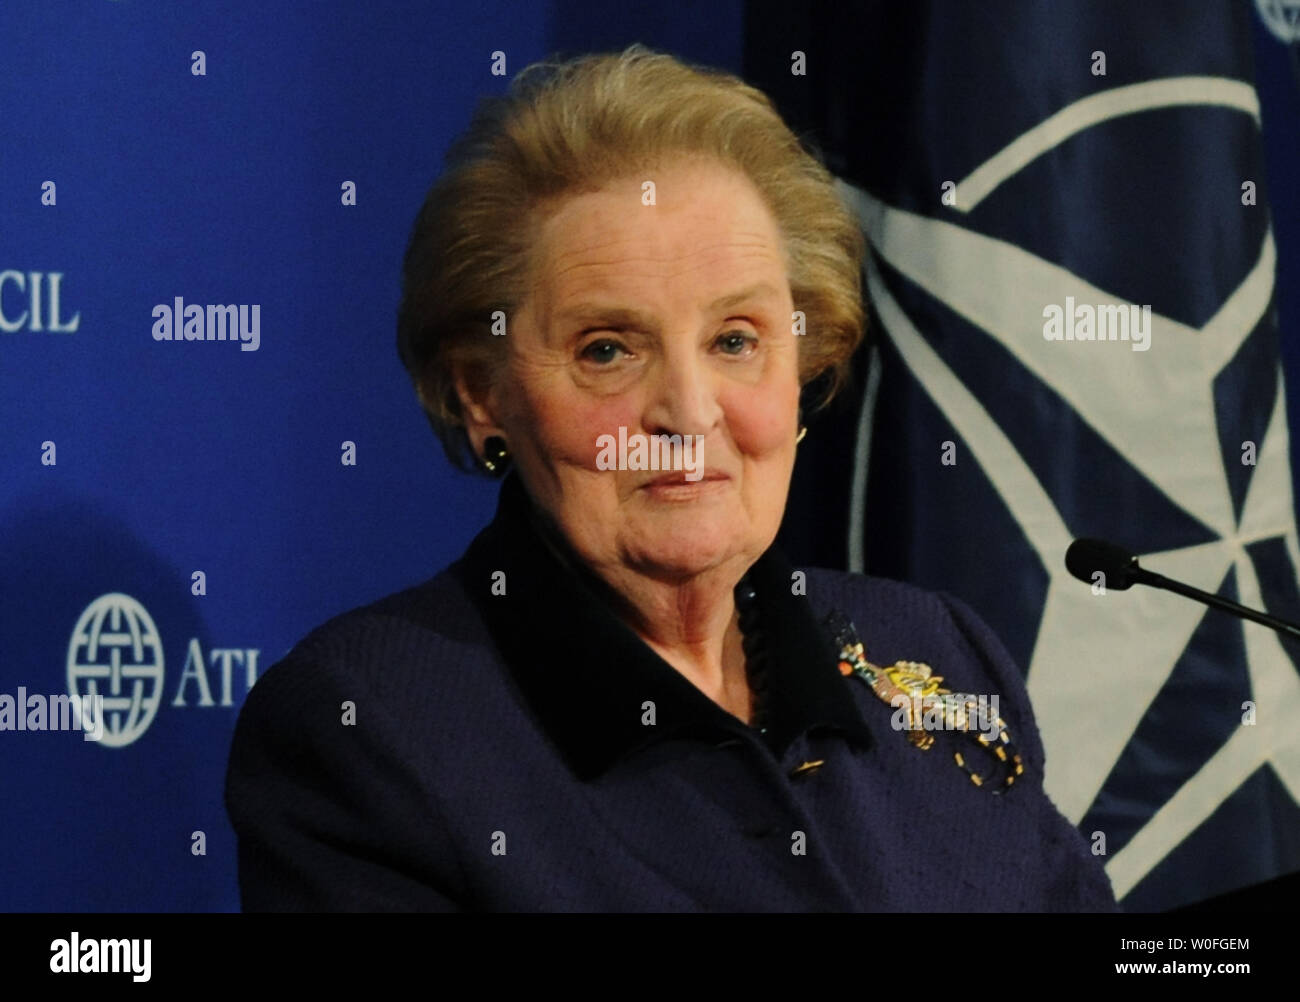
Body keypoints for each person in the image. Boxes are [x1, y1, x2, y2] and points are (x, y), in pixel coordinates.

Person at [225, 45, 1117, 912]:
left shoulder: (937, 653)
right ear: (482, 394)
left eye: (735, 340)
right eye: (607, 350)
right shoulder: (373, 729)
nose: (689, 414)